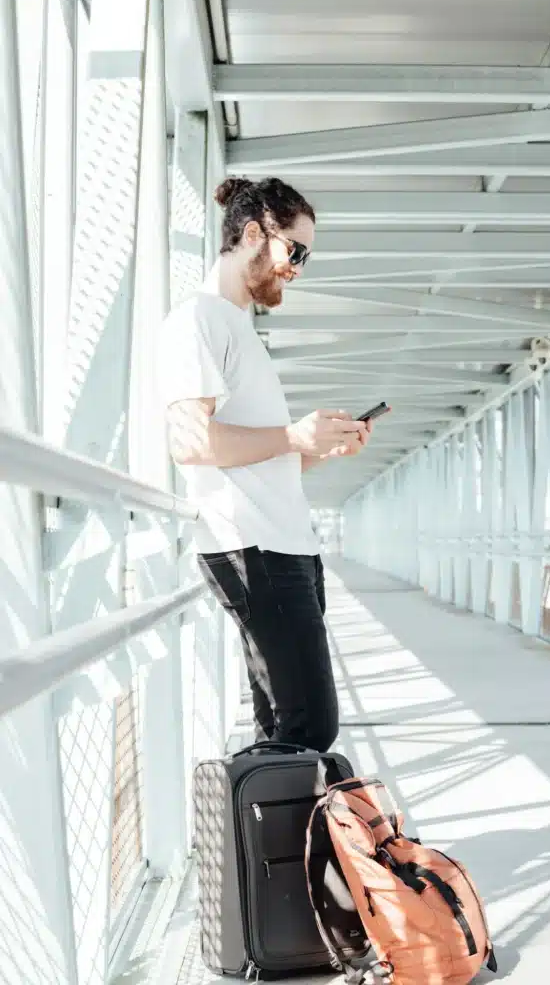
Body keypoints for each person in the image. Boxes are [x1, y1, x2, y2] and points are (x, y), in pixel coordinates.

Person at [156, 176, 372, 752]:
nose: (299, 267)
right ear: (253, 234)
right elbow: (191, 443)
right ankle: (261, 837)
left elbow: (259, 458)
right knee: (308, 728)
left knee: (284, 728)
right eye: (294, 250)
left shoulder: (240, 329)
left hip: (286, 547)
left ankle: (262, 841)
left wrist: (312, 447)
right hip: (251, 549)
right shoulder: (196, 319)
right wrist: (291, 434)